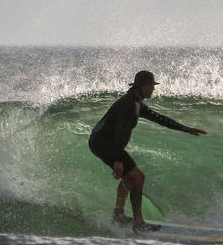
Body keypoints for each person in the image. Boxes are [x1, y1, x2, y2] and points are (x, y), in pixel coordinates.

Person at [88, 70, 206, 232]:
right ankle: (138, 222)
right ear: (141, 86)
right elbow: (119, 133)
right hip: (103, 143)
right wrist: (118, 160)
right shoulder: (127, 104)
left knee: (131, 178)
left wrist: (186, 129)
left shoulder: (137, 104)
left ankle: (118, 214)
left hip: (106, 143)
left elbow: (160, 119)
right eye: (151, 85)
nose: (153, 89)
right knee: (138, 177)